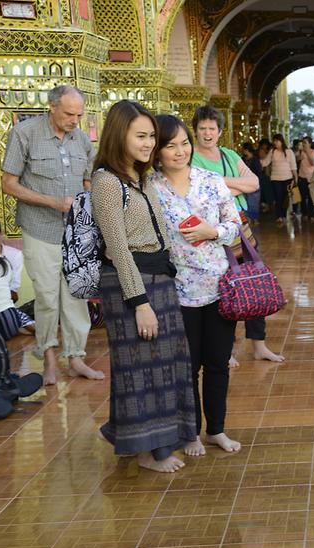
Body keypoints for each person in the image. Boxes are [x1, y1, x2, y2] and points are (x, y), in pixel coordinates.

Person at [91, 100, 196, 473]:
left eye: (152, 136)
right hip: (129, 283)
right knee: (138, 368)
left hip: (158, 278)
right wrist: (140, 302)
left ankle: (146, 440)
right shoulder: (106, 182)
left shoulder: (143, 177)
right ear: (119, 135)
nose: (150, 142)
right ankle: (146, 451)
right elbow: (118, 247)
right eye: (141, 135)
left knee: (165, 364)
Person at [0, 84, 104, 385]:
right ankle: (47, 360)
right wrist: (54, 203)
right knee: (46, 298)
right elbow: (8, 184)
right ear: (52, 107)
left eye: (79, 114)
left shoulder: (82, 140)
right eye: (69, 114)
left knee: (76, 296)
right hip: (39, 229)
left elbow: (88, 182)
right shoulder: (25, 133)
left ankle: (76, 359)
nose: (75, 120)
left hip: (76, 233)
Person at [151, 114, 243, 455]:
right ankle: (189, 432)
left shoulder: (211, 180)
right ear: (157, 151)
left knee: (218, 363)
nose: (180, 151)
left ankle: (216, 429)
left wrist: (213, 232)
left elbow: (234, 224)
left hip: (219, 286)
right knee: (186, 367)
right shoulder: (151, 187)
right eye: (170, 145)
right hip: (176, 291)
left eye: (184, 143)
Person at [191, 106, 279, 365]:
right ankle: (224, 349)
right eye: (202, 128)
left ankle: (259, 345)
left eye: (212, 129)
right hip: (211, 230)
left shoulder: (228, 154)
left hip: (241, 228)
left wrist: (217, 180)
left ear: (220, 131)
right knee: (222, 288)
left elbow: (254, 183)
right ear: (195, 130)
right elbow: (200, 188)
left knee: (253, 281)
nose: (207, 133)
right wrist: (233, 183)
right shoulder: (191, 157)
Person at [0, 219, 34, 334]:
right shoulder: (2, 264)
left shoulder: (13, 255)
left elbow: (14, 294)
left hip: (3, 306)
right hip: (5, 314)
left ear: (1, 234)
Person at [261, 133, 296, 222]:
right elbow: (266, 162)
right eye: (274, 141)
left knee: (285, 198)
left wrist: (295, 178)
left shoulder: (289, 152)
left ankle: (283, 215)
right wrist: (257, 161)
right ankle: (279, 216)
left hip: (288, 178)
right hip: (276, 179)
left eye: (277, 141)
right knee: (278, 197)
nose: (275, 143)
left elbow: (293, 166)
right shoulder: (272, 152)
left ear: (281, 141)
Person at [296, 137, 314, 220]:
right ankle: (304, 213)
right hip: (301, 176)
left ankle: (311, 215)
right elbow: (296, 161)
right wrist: (299, 155)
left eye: (305, 142)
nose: (303, 144)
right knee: (302, 197)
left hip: (311, 178)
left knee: (311, 197)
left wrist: (307, 153)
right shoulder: (300, 152)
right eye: (303, 142)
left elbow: (313, 163)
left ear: (310, 144)